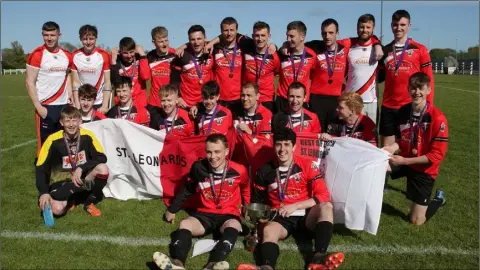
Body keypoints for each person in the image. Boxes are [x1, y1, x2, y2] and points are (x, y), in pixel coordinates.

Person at [238, 128, 344, 270]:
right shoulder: (264, 171)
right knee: (269, 231)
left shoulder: (307, 165)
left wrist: (296, 206)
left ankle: (319, 258)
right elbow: (259, 204)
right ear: (273, 146)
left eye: (287, 144)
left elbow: (323, 195)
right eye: (278, 144)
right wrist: (258, 225)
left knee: (326, 206)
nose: (282, 149)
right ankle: (266, 267)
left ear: (294, 147)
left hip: (305, 217)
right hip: (281, 218)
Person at [153, 133, 250, 270]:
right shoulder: (199, 167)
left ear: (226, 151)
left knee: (234, 225)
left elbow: (245, 187)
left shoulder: (239, 170)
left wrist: (247, 206)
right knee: (185, 223)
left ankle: (212, 265)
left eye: (217, 152)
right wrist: (172, 209)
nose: (213, 156)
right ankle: (177, 263)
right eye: (209, 152)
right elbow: (187, 189)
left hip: (228, 214)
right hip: (205, 214)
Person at [383, 72, 447, 225]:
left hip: (424, 168)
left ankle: (438, 199)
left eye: (421, 88)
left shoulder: (437, 118)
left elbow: (436, 156)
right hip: (405, 159)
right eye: (413, 88)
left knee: (416, 220)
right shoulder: (403, 112)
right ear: (408, 89)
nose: (417, 92)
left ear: (428, 90)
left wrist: (404, 161)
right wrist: (392, 147)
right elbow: (400, 139)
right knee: (377, 165)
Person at [36, 106, 109, 217]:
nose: (71, 125)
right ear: (61, 122)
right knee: (57, 209)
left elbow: (101, 157)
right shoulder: (52, 140)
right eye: (67, 121)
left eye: (74, 120)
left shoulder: (87, 136)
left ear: (80, 121)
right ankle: (70, 200)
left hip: (82, 181)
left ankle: (89, 203)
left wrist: (81, 168)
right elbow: (41, 167)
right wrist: (44, 192)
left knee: (103, 169)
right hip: (62, 183)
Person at [378, 10, 435, 148]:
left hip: (412, 105)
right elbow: (378, 78)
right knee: (387, 149)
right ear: (391, 25)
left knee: (411, 146)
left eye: (402, 24)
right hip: (388, 106)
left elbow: (429, 80)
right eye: (395, 24)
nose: (399, 28)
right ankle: (389, 170)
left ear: (409, 25)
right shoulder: (385, 51)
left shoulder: (420, 49)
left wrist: (429, 106)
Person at [26, 21, 73, 156]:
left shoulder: (66, 55)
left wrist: (69, 93)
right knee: (45, 145)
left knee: (64, 141)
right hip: (46, 106)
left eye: (52, 35)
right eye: (46, 35)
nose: (49, 38)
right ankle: (43, 174)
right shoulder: (37, 54)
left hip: (63, 105)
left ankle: (61, 172)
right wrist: (39, 107)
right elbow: (29, 82)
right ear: (42, 35)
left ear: (59, 35)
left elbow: (67, 76)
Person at [343, 14, 381, 124]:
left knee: (371, 137)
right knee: (350, 136)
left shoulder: (378, 49)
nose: (364, 30)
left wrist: (377, 43)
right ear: (357, 28)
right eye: (361, 27)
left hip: (371, 102)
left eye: (368, 27)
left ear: (373, 28)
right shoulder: (349, 48)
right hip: (351, 101)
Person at [276, 21, 317, 113]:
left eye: (292, 36)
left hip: (301, 101)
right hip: (283, 100)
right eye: (287, 36)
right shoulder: (282, 53)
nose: (288, 39)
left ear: (302, 37)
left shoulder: (312, 55)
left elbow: (314, 76)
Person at [171, 25, 215, 109]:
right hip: (186, 104)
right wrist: (178, 97)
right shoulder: (182, 55)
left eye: (199, 39)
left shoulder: (212, 51)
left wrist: (212, 43)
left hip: (206, 102)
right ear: (189, 40)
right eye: (193, 39)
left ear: (205, 38)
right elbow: (174, 79)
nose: (196, 42)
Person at [71, 24, 112, 113]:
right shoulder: (75, 56)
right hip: (83, 102)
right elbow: (75, 83)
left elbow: (107, 82)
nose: (88, 42)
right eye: (85, 39)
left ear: (96, 38)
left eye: (91, 39)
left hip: (99, 102)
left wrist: (105, 106)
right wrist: (77, 104)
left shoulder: (104, 55)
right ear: (80, 39)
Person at [242, 21, 281, 113]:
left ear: (269, 36)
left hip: (266, 99)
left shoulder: (274, 56)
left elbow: (277, 72)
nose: (260, 39)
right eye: (257, 35)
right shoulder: (246, 51)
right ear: (252, 36)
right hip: (247, 98)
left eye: (263, 35)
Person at [232, 82, 273, 164]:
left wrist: (249, 132)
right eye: (243, 95)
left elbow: (267, 143)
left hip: (258, 161)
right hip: (239, 161)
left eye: (249, 95)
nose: (245, 99)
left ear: (257, 96)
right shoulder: (236, 112)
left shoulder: (265, 114)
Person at [110, 37, 150, 107]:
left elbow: (145, 76)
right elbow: (115, 82)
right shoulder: (117, 61)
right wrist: (113, 61)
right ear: (120, 52)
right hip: (122, 103)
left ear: (135, 50)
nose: (129, 56)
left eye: (131, 52)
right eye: (125, 53)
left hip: (139, 102)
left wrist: (143, 56)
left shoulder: (140, 58)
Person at [146, 26, 177, 112]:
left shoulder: (175, 54)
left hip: (171, 103)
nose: (164, 44)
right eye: (161, 42)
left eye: (166, 40)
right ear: (154, 42)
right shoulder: (149, 56)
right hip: (154, 103)